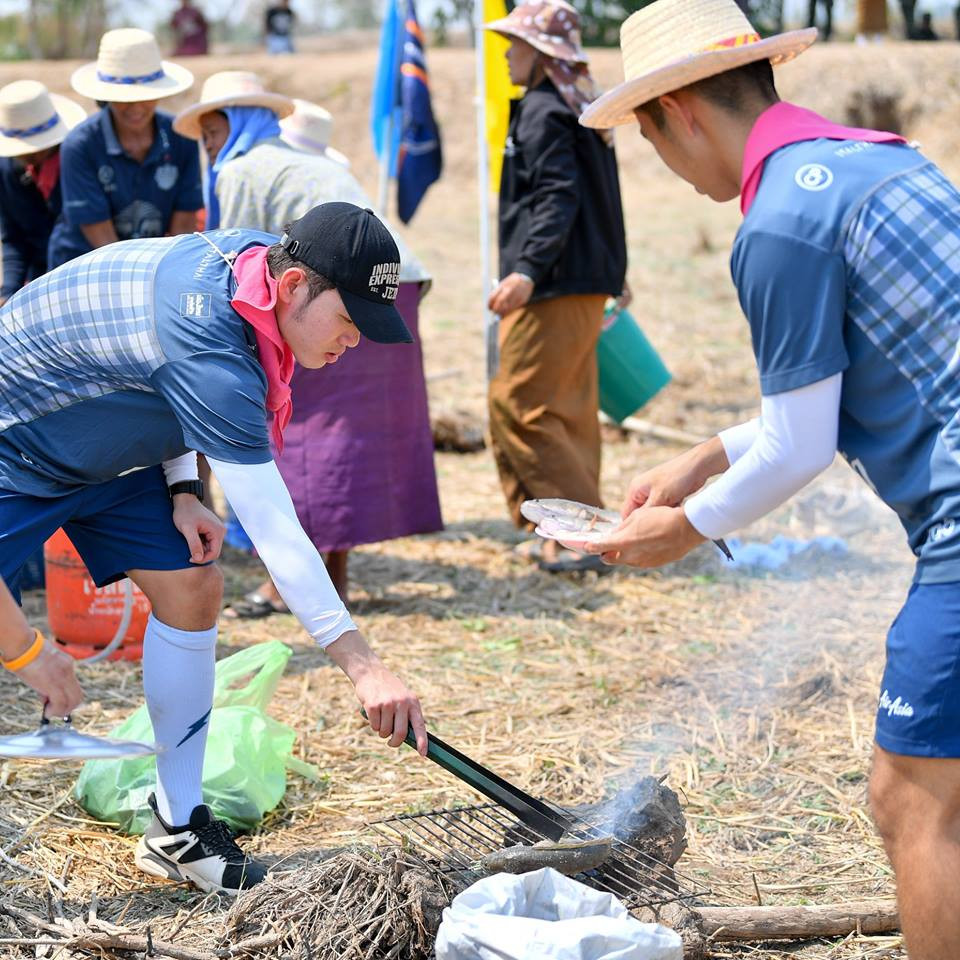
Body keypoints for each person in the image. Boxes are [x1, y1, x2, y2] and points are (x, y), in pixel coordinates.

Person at [577, 1, 960, 957]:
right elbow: (856, 380)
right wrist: (706, 453)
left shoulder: (779, 222)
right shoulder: (884, 161)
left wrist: (687, 527)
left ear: (679, 115)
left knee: (912, 798)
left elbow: (798, 446)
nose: (662, 160)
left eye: (648, 138)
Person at [0, 200, 428, 895]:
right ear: (294, 288)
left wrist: (180, 486)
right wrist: (363, 665)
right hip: (18, 435)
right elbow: (273, 527)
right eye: (350, 322)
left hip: (105, 438)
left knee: (193, 584)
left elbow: (146, 363)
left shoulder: (260, 265)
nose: (353, 342)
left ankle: (175, 827)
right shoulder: (213, 344)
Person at [173, 74, 441, 605]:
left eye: (212, 134)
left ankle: (286, 584)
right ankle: (329, 575)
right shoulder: (306, 159)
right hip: (392, 290)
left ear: (236, 125)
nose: (209, 147)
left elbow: (245, 264)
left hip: (336, 296)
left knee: (308, 437)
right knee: (346, 442)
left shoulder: (244, 168)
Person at [482, 1, 628, 574]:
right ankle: (561, 531)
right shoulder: (579, 108)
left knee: (520, 402)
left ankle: (572, 536)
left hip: (556, 282)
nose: (506, 56)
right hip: (581, 279)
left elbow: (557, 199)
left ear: (541, 54)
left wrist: (526, 271)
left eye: (514, 46)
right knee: (566, 408)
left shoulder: (544, 111)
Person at [47, 28, 202, 268]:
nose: (136, 107)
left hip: (154, 266)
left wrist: (168, 275)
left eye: (146, 96)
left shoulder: (182, 138)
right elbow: (100, 236)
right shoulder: (80, 146)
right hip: (84, 265)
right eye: (124, 98)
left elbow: (183, 227)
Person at [0, 81, 85, 306]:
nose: (31, 153)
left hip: (83, 276)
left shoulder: (78, 161)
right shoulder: (7, 170)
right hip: (38, 281)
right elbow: (14, 238)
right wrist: (8, 292)